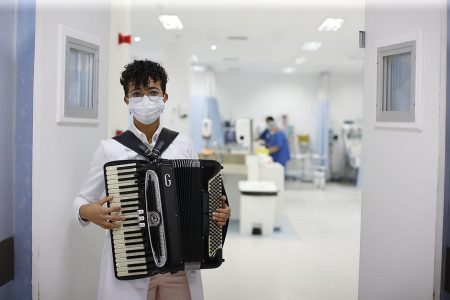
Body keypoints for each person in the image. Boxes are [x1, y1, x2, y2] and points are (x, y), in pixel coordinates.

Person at [73, 60, 231, 300]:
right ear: (127, 100)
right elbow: (82, 199)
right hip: (132, 265)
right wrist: (87, 212)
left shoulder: (183, 145)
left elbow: (202, 197)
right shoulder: (110, 149)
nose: (145, 99)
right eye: (137, 93)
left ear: (164, 97)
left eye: (153, 92)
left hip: (178, 267)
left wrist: (219, 213)